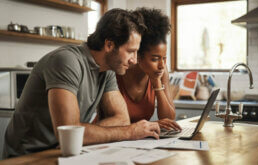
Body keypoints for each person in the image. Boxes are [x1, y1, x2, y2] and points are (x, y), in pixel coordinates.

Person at [3, 8, 160, 158]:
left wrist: (85, 133)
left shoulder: (108, 71)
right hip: (28, 156)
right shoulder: (66, 61)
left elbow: (121, 119)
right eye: (130, 51)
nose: (133, 60)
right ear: (109, 45)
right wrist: (129, 132)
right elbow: (69, 131)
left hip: (66, 151)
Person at [116, 8, 181, 131]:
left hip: (137, 142)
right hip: (107, 140)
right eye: (155, 59)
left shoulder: (160, 72)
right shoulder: (118, 71)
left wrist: (156, 83)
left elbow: (169, 119)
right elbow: (111, 122)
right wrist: (151, 124)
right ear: (137, 56)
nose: (162, 65)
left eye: (164, 58)